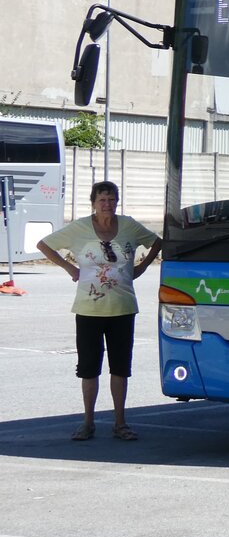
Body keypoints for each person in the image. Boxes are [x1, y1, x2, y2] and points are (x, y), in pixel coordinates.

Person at [36, 181, 162, 442]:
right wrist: (70, 268)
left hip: (123, 308)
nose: (107, 204)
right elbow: (44, 245)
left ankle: (120, 423)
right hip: (88, 310)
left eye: (112, 200)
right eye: (102, 200)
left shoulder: (128, 226)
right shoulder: (79, 228)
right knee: (89, 369)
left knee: (120, 368)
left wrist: (142, 267)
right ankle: (88, 422)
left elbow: (157, 243)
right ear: (93, 202)